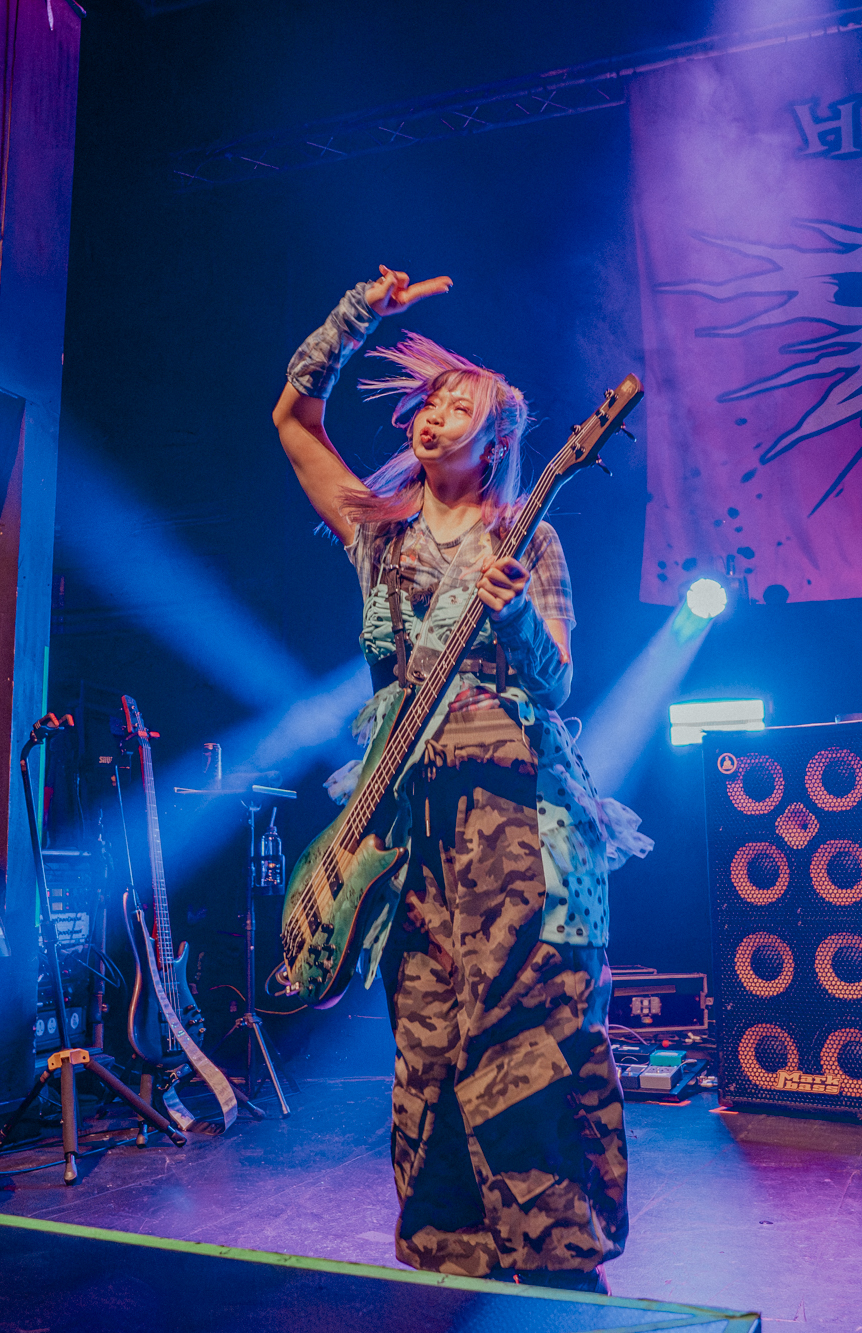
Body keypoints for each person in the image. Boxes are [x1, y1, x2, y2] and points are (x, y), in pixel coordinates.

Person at [271, 266, 650, 1292]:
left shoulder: (528, 534)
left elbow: (558, 679)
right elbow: (294, 421)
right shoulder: (379, 534)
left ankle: (558, 1267)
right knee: (428, 1041)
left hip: (514, 816)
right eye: (430, 401)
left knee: (523, 1033)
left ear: (496, 437)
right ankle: (450, 1265)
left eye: (459, 404)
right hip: (408, 825)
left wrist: (514, 610)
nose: (434, 414)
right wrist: (353, 317)